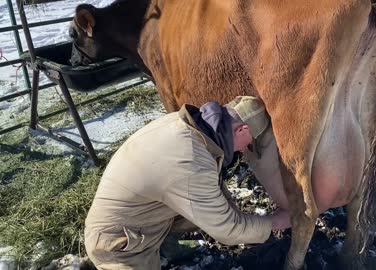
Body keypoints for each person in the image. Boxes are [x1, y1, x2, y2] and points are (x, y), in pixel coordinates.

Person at [84, 96, 290, 269]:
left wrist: (240, 216)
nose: (244, 150)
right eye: (250, 143)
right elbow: (228, 230)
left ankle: (166, 246)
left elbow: (212, 190)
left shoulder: (186, 127)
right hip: (120, 245)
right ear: (242, 130)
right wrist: (275, 222)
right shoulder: (190, 161)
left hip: (144, 221)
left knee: (208, 208)